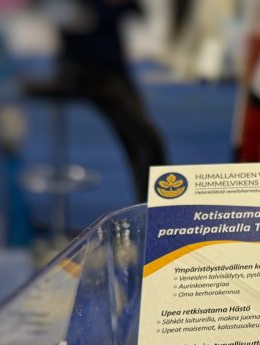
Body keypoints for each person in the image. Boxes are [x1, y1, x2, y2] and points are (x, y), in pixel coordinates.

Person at [37, 0, 167, 201]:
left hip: (114, 73)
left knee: (146, 144)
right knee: (145, 143)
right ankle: (151, 207)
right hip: (88, 75)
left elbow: (136, 11)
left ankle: (150, 206)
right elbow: (79, 19)